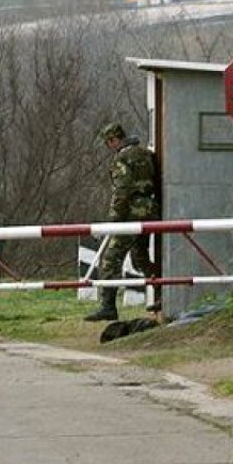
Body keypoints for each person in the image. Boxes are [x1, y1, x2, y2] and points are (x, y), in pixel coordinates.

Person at [85, 122, 161, 321]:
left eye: (108, 143)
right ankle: (163, 293)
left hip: (131, 214)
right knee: (140, 258)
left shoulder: (121, 158)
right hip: (150, 211)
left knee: (110, 259)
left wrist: (115, 217)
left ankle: (108, 306)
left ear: (113, 140)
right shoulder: (145, 153)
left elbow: (122, 189)